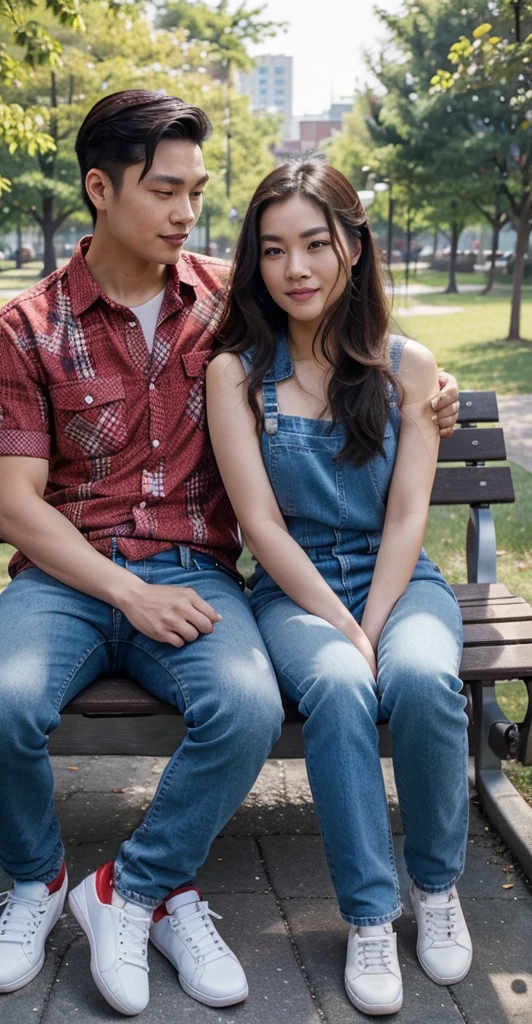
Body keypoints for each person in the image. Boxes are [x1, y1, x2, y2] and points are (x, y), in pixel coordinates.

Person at [0, 91, 459, 1017]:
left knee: (245, 703)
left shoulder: (232, 295)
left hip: (193, 571)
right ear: (100, 189)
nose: (188, 211)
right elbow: (19, 509)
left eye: (196, 190)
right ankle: (37, 881)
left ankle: (144, 886)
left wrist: (429, 385)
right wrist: (124, 593)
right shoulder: (23, 330)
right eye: (165, 190)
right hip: (67, 577)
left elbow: (334, 318)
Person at [206, 156, 471, 1017]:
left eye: (316, 245)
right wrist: (343, 628)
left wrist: (378, 619)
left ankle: (435, 889)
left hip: (401, 581)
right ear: (256, 261)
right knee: (339, 680)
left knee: (426, 679)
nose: (297, 270)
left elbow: (406, 520)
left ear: (352, 247)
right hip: (292, 590)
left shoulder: (409, 367)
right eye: (275, 250)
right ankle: (369, 913)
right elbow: (261, 527)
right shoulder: (237, 373)